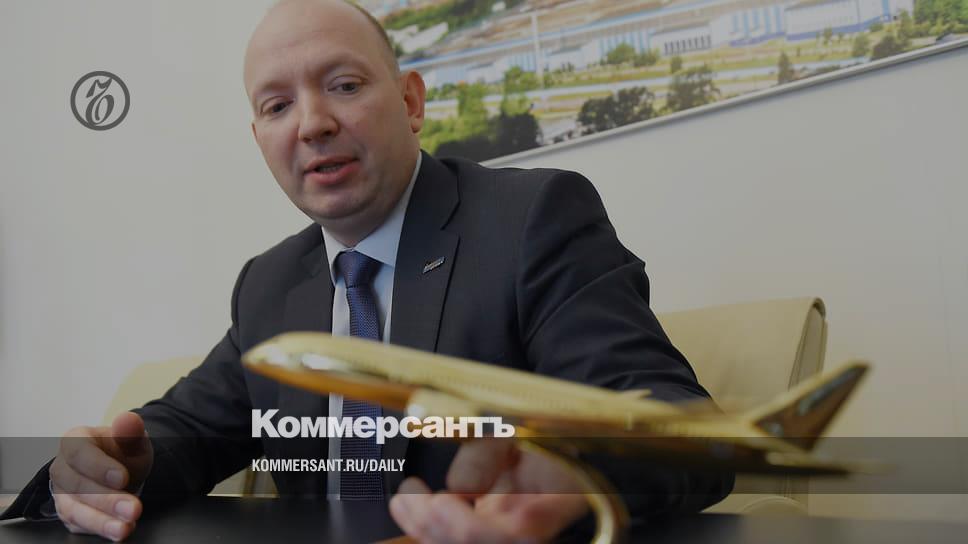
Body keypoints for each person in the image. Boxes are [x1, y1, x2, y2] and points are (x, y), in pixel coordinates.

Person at [1, 0, 732, 541]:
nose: (311, 123)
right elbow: (189, 427)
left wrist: (570, 476)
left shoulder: (532, 220)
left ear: (411, 102)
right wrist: (112, 467)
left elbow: (681, 425)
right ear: (260, 138)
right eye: (277, 105)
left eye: (345, 85)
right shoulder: (270, 284)